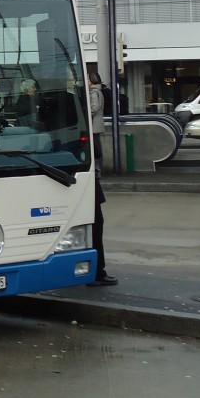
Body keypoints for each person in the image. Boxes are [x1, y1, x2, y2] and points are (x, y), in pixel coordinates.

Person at [87, 71, 117, 286]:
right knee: (96, 222)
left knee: (96, 222)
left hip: (89, 181)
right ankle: (97, 271)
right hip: (90, 185)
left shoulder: (93, 94)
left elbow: (93, 110)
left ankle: (97, 270)